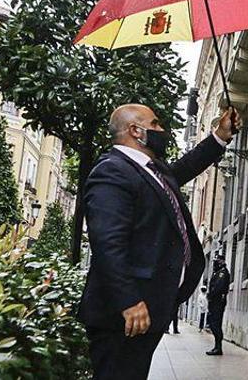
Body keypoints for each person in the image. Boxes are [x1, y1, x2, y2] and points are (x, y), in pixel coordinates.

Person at [78, 103, 239, 380]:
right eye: (155, 124)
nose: (162, 130)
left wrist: (220, 136)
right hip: (124, 315)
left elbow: (187, 166)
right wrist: (129, 301)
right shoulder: (112, 171)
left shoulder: (152, 171)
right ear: (136, 131)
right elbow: (107, 244)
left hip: (144, 311)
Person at [205, 256, 232, 355]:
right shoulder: (218, 272)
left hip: (218, 302)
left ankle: (218, 347)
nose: (215, 264)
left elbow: (218, 287)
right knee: (213, 324)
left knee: (215, 324)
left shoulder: (222, 273)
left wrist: (210, 295)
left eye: (216, 261)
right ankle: (216, 346)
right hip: (214, 302)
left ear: (221, 262)